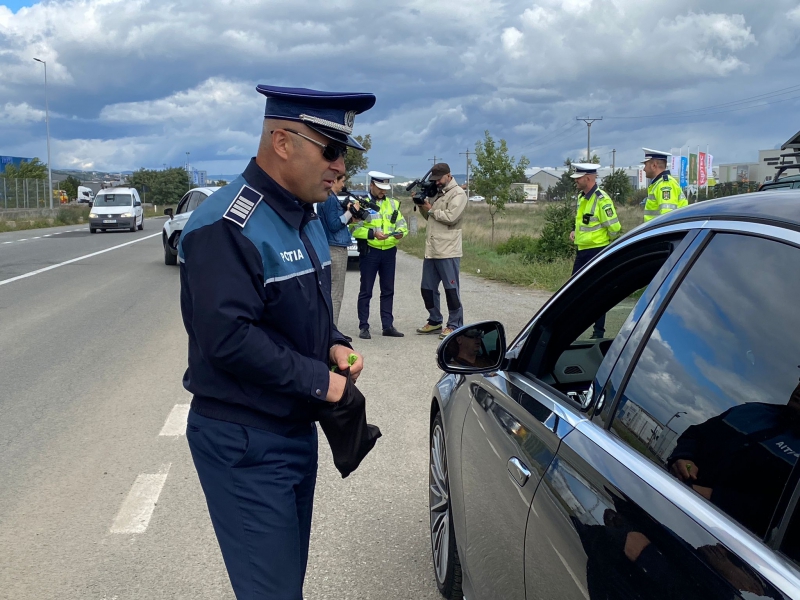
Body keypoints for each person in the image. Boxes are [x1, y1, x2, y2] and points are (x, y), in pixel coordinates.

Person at [178, 84, 377, 600]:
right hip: (245, 437)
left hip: (292, 427)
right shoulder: (228, 224)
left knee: (285, 583)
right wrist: (322, 383)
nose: (340, 167)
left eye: (344, 155)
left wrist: (334, 343)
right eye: (330, 151)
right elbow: (228, 339)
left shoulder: (304, 216)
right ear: (282, 142)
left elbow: (302, 311)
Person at [668, 379, 800, 538]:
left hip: (720, 542)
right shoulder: (750, 412)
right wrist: (684, 458)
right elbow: (696, 435)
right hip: (668, 502)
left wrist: (716, 498)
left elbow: (783, 516)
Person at [351, 170, 408, 339]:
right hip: (370, 251)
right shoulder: (361, 204)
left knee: (388, 290)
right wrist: (372, 234)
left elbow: (402, 225)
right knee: (366, 290)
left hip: (389, 251)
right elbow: (353, 229)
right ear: (371, 185)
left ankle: (387, 326)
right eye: (380, 188)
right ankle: (364, 326)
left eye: (385, 188)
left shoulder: (393, 204)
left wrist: (401, 233)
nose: (383, 191)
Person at [568, 163, 621, 338]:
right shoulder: (582, 197)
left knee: (598, 292)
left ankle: (598, 333)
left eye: (578, 178)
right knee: (573, 291)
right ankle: (570, 330)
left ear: (588, 178)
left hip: (597, 251)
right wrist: (575, 232)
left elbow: (614, 228)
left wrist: (603, 243)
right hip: (582, 251)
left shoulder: (602, 199)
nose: (575, 181)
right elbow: (583, 222)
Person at [416, 162, 468, 339]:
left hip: (448, 250)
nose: (437, 182)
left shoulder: (458, 194)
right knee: (427, 288)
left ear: (448, 175)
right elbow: (429, 218)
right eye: (435, 179)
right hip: (431, 249)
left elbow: (451, 217)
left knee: (451, 290)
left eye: (439, 179)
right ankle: (434, 320)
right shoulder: (437, 193)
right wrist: (422, 206)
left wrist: (431, 210)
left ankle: (454, 325)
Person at [318, 173, 359, 330]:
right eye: (342, 181)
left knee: (330, 290)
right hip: (336, 247)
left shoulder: (328, 198)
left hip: (330, 245)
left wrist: (348, 217)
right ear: (335, 180)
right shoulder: (330, 199)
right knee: (336, 292)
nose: (343, 185)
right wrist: (350, 212)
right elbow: (334, 225)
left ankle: (328, 329)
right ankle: (332, 331)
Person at [642, 148, 687, 222]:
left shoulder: (665, 185)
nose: (644, 169)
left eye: (645, 165)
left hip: (659, 229)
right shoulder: (660, 183)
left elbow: (667, 217)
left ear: (654, 166)